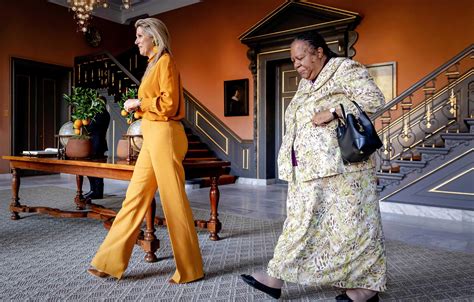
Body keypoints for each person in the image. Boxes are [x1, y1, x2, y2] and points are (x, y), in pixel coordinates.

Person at [241, 31, 387, 301]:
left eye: (299, 58)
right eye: (293, 61)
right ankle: (276, 276)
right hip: (308, 170)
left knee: (354, 226)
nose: (296, 65)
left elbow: (374, 100)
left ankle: (366, 289)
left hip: (345, 169)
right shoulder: (307, 83)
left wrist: (332, 111)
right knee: (301, 223)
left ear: (319, 52)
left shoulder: (344, 68)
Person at [87, 18, 204, 284]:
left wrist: (139, 101)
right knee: (134, 197)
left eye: (140, 35)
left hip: (165, 134)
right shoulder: (152, 65)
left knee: (174, 201)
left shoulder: (165, 62)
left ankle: (191, 268)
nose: (136, 40)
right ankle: (108, 260)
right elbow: (156, 103)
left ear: (154, 37)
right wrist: (139, 106)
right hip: (152, 134)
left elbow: (170, 103)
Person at [84, 98, 110, 200]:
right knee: (91, 169)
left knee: (97, 170)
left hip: (97, 144)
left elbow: (91, 128)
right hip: (96, 144)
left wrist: (86, 123)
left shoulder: (102, 114)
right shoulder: (100, 113)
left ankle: (97, 192)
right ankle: (94, 190)